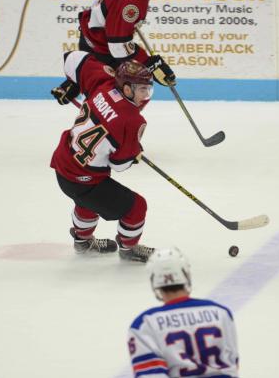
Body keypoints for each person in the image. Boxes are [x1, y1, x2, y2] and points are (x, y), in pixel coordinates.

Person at [50, 50, 155, 262]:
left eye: (148, 89)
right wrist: (133, 153)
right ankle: (129, 248)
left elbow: (72, 58)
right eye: (142, 89)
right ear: (126, 88)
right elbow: (120, 165)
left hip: (63, 167)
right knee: (137, 206)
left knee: (88, 202)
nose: (146, 95)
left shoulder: (104, 82)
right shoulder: (132, 121)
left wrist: (71, 84)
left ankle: (82, 241)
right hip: (85, 181)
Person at [51, 0, 176, 105]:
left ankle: (76, 83)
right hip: (100, 46)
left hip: (93, 32)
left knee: (115, 90)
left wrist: (112, 6)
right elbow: (118, 48)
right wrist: (149, 63)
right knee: (129, 94)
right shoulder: (130, 3)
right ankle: (81, 83)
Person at [127, 248, 239, 377]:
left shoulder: (144, 325)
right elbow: (232, 365)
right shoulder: (220, 313)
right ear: (186, 275)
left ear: (154, 281)